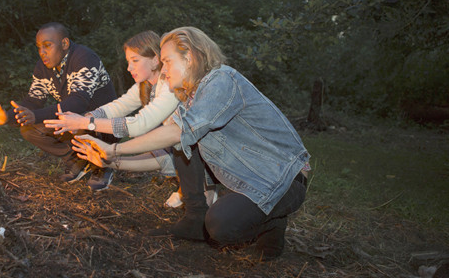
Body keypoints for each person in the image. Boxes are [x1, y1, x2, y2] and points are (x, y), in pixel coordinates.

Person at [71, 26, 310, 260]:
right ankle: (195, 219)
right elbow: (166, 155)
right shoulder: (190, 100)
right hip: (251, 182)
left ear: (190, 57)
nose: (164, 71)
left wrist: (113, 147)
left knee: (221, 227)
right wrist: (112, 161)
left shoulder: (222, 80)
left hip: (283, 179)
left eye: (167, 61)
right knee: (181, 145)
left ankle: (273, 222)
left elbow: (176, 132)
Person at [44, 30, 216, 208]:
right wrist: (88, 117)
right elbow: (118, 106)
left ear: (155, 59)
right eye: (128, 62)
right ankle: (186, 186)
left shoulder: (170, 84)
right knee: (159, 149)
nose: (129, 68)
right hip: (176, 146)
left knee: (159, 139)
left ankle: (204, 186)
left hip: (202, 148)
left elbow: (140, 124)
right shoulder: (144, 86)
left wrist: (85, 123)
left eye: (135, 61)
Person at [0, 22, 118, 191]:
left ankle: (104, 165)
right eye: (39, 47)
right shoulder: (43, 67)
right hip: (77, 120)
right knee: (29, 129)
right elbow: (34, 100)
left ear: (64, 44)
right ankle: (79, 161)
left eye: (47, 45)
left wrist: (37, 115)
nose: (42, 52)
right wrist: (8, 117)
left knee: (76, 118)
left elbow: (78, 101)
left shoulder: (84, 58)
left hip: (105, 126)